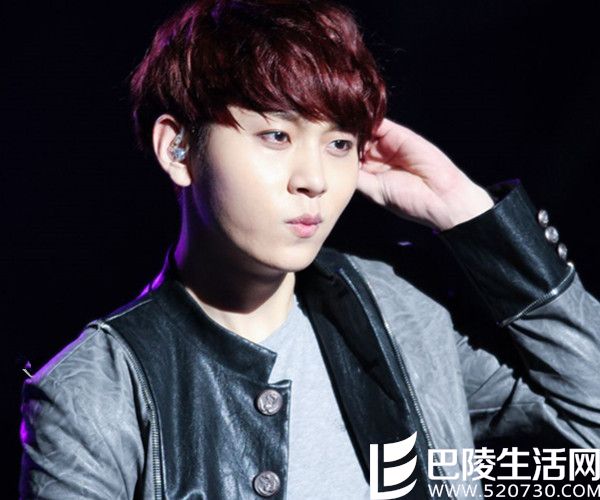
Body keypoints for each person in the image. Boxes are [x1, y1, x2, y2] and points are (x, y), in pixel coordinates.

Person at [19, 0, 600, 499]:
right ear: (178, 149)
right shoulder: (97, 392)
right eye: (277, 135)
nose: (315, 179)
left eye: (340, 143)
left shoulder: (396, 315)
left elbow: (585, 447)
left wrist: (470, 214)